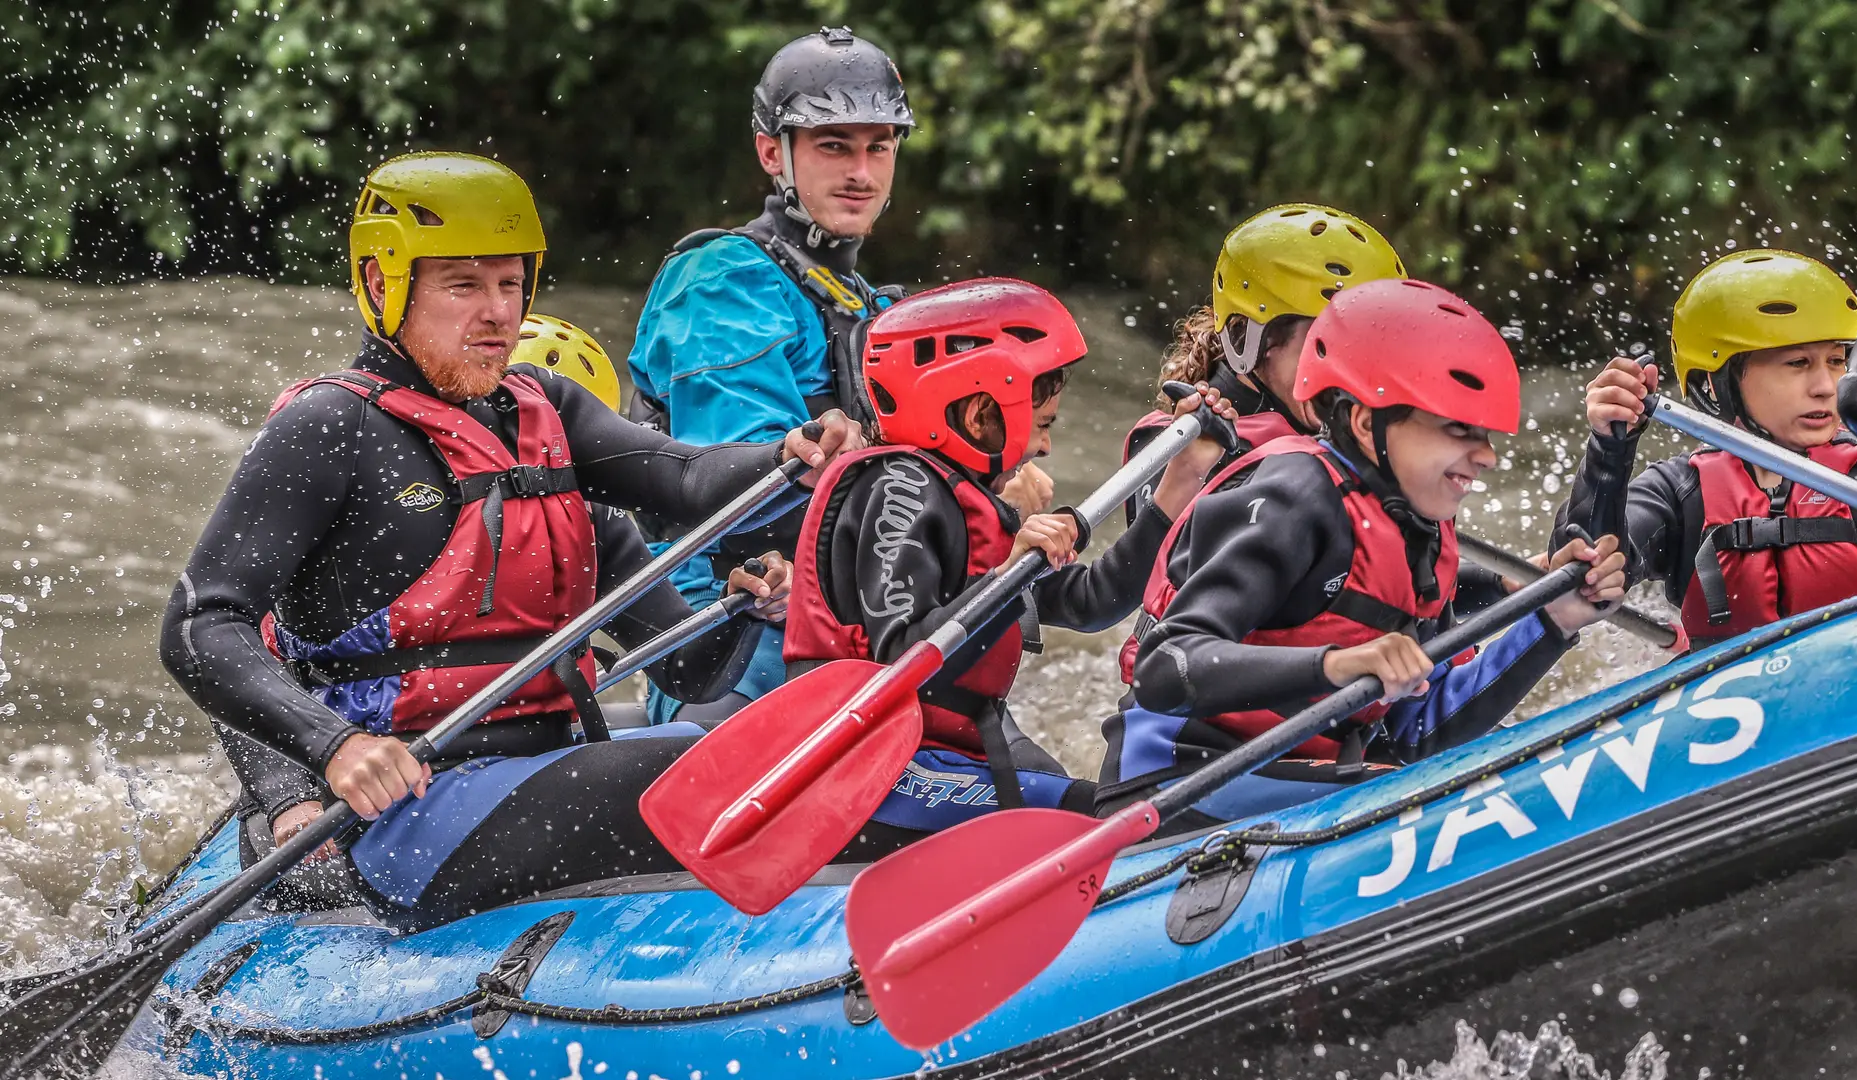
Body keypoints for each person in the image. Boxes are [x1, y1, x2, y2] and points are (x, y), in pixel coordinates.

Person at [162, 151, 863, 920]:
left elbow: (683, 476)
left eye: (509, 283)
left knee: (791, 741)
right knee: (720, 766)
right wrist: (335, 749)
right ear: (381, 284)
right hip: (404, 810)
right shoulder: (330, 427)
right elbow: (202, 623)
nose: (498, 313)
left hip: (544, 768)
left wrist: (787, 457)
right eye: (463, 285)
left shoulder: (547, 409)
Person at [624, 27, 1052, 728]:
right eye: (833, 145)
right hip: (730, 646)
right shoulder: (719, 281)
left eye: (878, 146)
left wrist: (1003, 487)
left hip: (856, 634)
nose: (861, 170)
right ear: (772, 152)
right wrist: (987, 509)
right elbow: (755, 500)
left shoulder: (879, 309)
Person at [1097, 279, 1628, 834]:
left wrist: (1552, 621)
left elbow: (1417, 731)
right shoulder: (1293, 496)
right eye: (1458, 430)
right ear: (1363, 424)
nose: (1487, 457)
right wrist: (1336, 665)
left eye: (1486, 435)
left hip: (1300, 779)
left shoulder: (1422, 532)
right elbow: (1165, 666)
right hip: (1177, 787)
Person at [783, 278, 1236, 833]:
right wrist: (1005, 570)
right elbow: (904, 657)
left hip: (940, 750)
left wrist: (1182, 478)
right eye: (1043, 424)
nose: (1045, 446)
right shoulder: (900, 486)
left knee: (1118, 800)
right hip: (865, 765)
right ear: (978, 415)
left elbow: (1092, 603)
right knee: (1114, 822)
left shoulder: (962, 496)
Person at [1558, 249, 1857, 650]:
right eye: (1797, 363)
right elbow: (1583, 568)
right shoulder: (1678, 492)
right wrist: (1610, 449)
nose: (1826, 386)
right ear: (1716, 384)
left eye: (1836, 360)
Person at [1122, 203, 1405, 505]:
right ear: (1256, 340)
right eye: (1328, 345)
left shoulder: (1372, 447)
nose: (1352, 371)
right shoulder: (1173, 450)